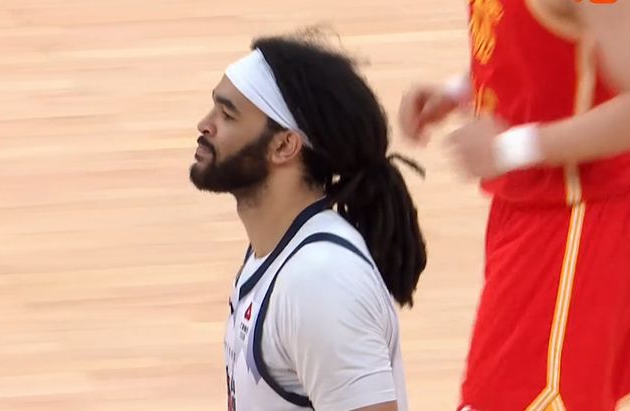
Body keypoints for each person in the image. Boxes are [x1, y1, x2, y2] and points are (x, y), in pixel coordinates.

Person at [398, 1, 630, 410]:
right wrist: (460, 90)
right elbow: (542, 43)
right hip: (529, 207)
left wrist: (510, 148)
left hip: (576, 219)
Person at [190, 30, 427, 411]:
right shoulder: (274, 255)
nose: (205, 125)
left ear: (284, 145)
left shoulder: (320, 280)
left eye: (227, 114)